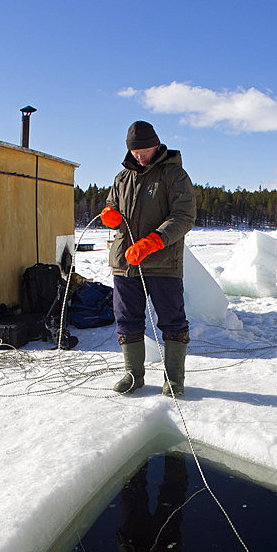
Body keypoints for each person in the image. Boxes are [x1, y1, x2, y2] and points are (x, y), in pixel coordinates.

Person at [101, 120, 196, 395]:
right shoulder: (122, 178)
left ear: (157, 145)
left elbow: (184, 216)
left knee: (172, 320)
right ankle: (133, 375)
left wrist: (154, 241)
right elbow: (112, 205)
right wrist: (110, 215)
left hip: (163, 263)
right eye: (135, 151)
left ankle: (174, 379)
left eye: (145, 150)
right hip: (125, 262)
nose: (140, 156)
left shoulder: (174, 175)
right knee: (127, 319)